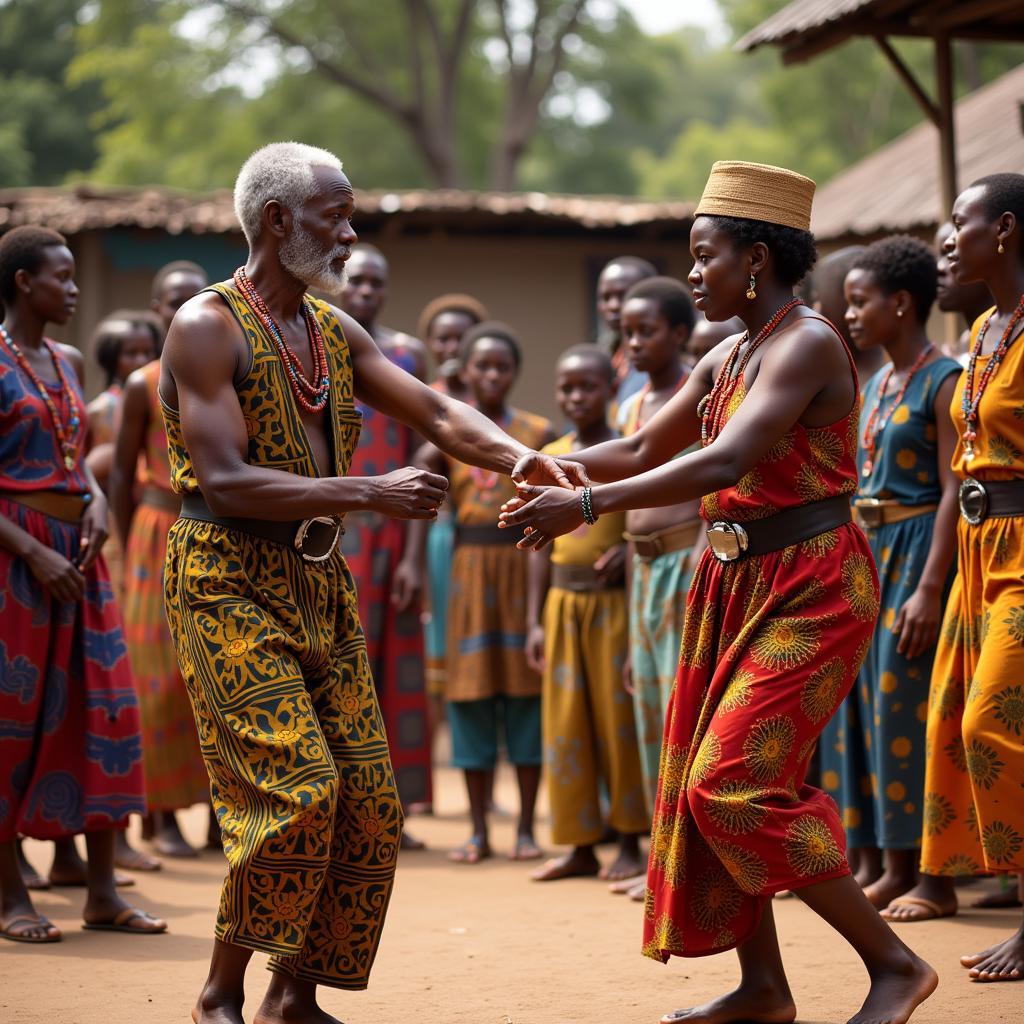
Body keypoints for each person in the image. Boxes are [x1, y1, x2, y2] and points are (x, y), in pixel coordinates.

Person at [502, 161, 937, 1024]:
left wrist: (582, 503)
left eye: (705, 255)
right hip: (730, 582)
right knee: (699, 792)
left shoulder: (808, 340)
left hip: (813, 582)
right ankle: (765, 989)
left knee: (731, 783)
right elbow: (636, 449)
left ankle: (894, 964)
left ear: (758, 254)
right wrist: (525, 461)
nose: (694, 273)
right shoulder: (731, 350)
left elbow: (719, 461)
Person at [159, 142, 568, 1024]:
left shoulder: (331, 329)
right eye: (334, 216)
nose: (350, 235)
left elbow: (437, 409)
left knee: (371, 800)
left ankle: (291, 997)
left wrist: (525, 458)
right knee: (299, 793)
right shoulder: (206, 326)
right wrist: (368, 493)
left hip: (316, 578)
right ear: (277, 221)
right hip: (225, 576)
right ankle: (218, 996)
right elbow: (223, 478)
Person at [0, 226, 165, 942]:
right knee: (10, 721)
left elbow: (81, 461)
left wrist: (96, 505)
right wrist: (33, 554)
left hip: (81, 554)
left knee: (101, 710)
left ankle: (101, 890)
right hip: (16, 560)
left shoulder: (66, 361)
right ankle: (10, 897)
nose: (72, 289)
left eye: (74, 276)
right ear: (21, 283)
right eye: (60, 277)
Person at [880, 173, 1024, 984]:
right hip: (975, 547)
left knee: (994, 726)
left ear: (1003, 230)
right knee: (946, 721)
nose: (946, 235)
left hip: (1023, 544)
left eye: (961, 221)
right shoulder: (984, 329)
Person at [835, 236, 960, 912]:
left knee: (902, 704)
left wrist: (930, 586)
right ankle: (885, 862)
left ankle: (926, 875)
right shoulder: (876, 383)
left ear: (902, 303)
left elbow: (951, 489)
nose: (850, 314)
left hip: (916, 548)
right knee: (859, 709)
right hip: (868, 552)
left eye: (861, 301)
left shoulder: (945, 380)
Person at [406, 322, 556, 865]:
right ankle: (476, 830)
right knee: (468, 698)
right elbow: (423, 469)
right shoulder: (453, 433)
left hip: (523, 564)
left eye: (502, 367)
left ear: (514, 373)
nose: (492, 375)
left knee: (523, 698)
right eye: (482, 366)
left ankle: (523, 828)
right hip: (468, 572)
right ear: (466, 372)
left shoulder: (537, 430)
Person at [526, 345, 647, 883]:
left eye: (588, 387)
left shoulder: (626, 450)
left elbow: (644, 513)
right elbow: (538, 541)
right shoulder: (548, 454)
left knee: (616, 721)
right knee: (566, 722)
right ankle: (578, 843)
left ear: (609, 391)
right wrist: (534, 618)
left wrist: (627, 549)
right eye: (567, 387)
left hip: (613, 604)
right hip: (563, 603)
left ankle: (627, 841)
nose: (576, 397)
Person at [109, 263, 212, 860]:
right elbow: (122, 472)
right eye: (173, 301)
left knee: (216, 672)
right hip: (154, 530)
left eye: (193, 299)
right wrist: (126, 547)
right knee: (157, 679)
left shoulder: (230, 372)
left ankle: (221, 819)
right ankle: (162, 814)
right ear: (156, 309)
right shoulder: (140, 383)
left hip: (215, 525)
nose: (182, 309)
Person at [611, 276, 706, 901]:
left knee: (685, 712)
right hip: (641, 571)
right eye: (629, 333)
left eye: (648, 331)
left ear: (679, 332)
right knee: (650, 712)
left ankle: (695, 855)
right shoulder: (630, 405)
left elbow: (713, 482)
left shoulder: (699, 394)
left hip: (683, 564)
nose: (637, 343)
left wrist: (701, 549)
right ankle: (662, 854)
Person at [339, 243, 432, 844]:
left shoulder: (405, 354)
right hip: (334, 531)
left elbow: (428, 441)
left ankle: (390, 813)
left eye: (377, 283)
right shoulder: (312, 346)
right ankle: (343, 814)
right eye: (357, 281)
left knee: (392, 675)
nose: (367, 292)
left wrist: (415, 557)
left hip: (393, 532)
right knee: (339, 671)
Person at [415, 293, 489, 806]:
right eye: (441, 337)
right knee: (437, 651)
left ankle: (480, 769)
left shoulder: (488, 398)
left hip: (478, 544)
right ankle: (445, 768)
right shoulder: (418, 396)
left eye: (460, 338)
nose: (450, 347)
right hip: (435, 534)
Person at [595, 255, 657, 407]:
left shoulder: (661, 363)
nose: (613, 306)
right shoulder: (606, 357)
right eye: (605, 297)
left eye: (623, 295)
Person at [934, 220, 992, 361]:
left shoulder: (1016, 336)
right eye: (938, 257)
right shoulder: (965, 344)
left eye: (951, 253)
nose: (938, 268)